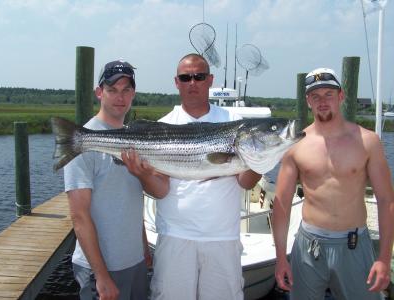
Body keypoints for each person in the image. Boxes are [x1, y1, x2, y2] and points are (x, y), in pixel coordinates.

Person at [272, 67, 394, 299]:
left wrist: (384, 258)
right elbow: (281, 204)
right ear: (308, 101)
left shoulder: (368, 142)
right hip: (308, 247)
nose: (322, 101)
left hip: (354, 246)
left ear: (341, 96)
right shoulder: (295, 145)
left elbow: (387, 200)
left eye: (329, 94)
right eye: (315, 96)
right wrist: (280, 258)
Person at [149, 53, 262, 300]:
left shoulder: (234, 123)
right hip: (175, 235)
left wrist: (260, 161)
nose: (192, 83)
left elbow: (246, 181)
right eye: (185, 77)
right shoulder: (163, 126)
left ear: (210, 80)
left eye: (199, 77)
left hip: (223, 236)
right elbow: (159, 190)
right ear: (176, 82)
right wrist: (140, 173)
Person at [64, 60, 169, 300]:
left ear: (133, 94)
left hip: (135, 262)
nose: (119, 97)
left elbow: (131, 200)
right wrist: (101, 277)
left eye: (126, 90)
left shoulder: (138, 140)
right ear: (99, 92)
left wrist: (143, 248)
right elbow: (79, 216)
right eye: (112, 90)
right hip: (101, 268)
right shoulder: (83, 140)